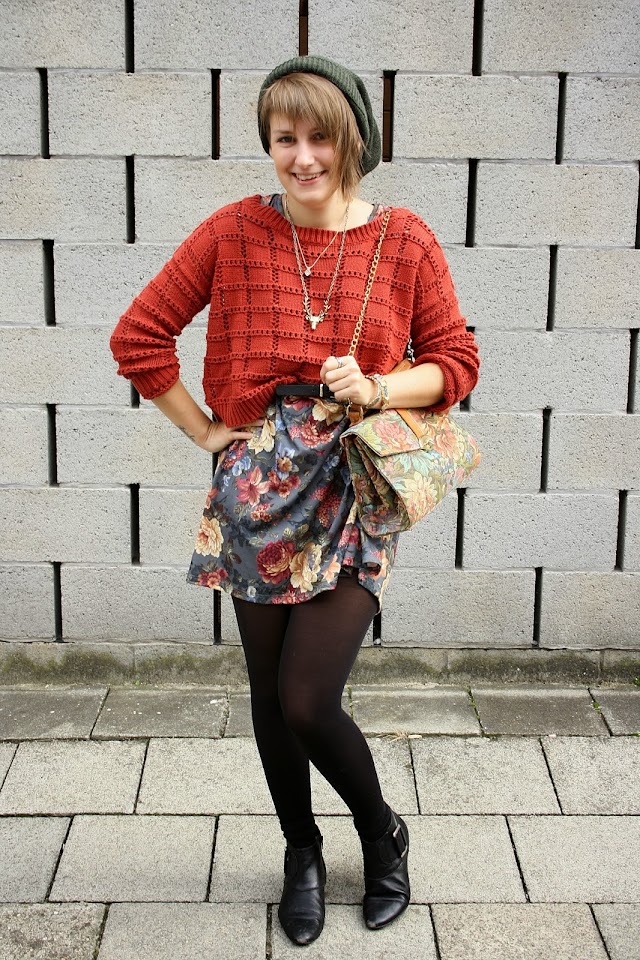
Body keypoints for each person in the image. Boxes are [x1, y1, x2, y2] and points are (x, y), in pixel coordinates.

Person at [110, 55, 479, 945]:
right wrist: (206, 434)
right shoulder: (234, 231)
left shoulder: (405, 239)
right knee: (271, 699)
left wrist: (380, 387)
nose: (303, 156)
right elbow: (139, 335)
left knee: (309, 698)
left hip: (353, 487)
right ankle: (301, 851)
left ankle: (381, 834)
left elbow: (457, 363)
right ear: (268, 144)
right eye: (285, 138)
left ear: (354, 139)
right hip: (257, 494)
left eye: (320, 137)